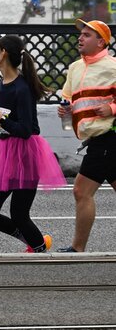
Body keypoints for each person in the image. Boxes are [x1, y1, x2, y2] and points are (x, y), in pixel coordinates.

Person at [0, 35, 66, 252]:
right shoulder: (2, 83)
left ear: (3, 52)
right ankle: (33, 242)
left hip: (26, 154)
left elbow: (25, 130)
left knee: (20, 214)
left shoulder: (21, 88)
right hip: (7, 152)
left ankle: (39, 248)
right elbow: (7, 122)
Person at [56, 19, 116, 253]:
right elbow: (70, 99)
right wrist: (66, 110)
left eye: (87, 35)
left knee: (81, 191)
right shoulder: (75, 68)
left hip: (108, 136)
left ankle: (78, 248)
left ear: (101, 42)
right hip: (95, 138)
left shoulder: (113, 67)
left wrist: (111, 109)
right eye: (81, 34)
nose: (80, 38)